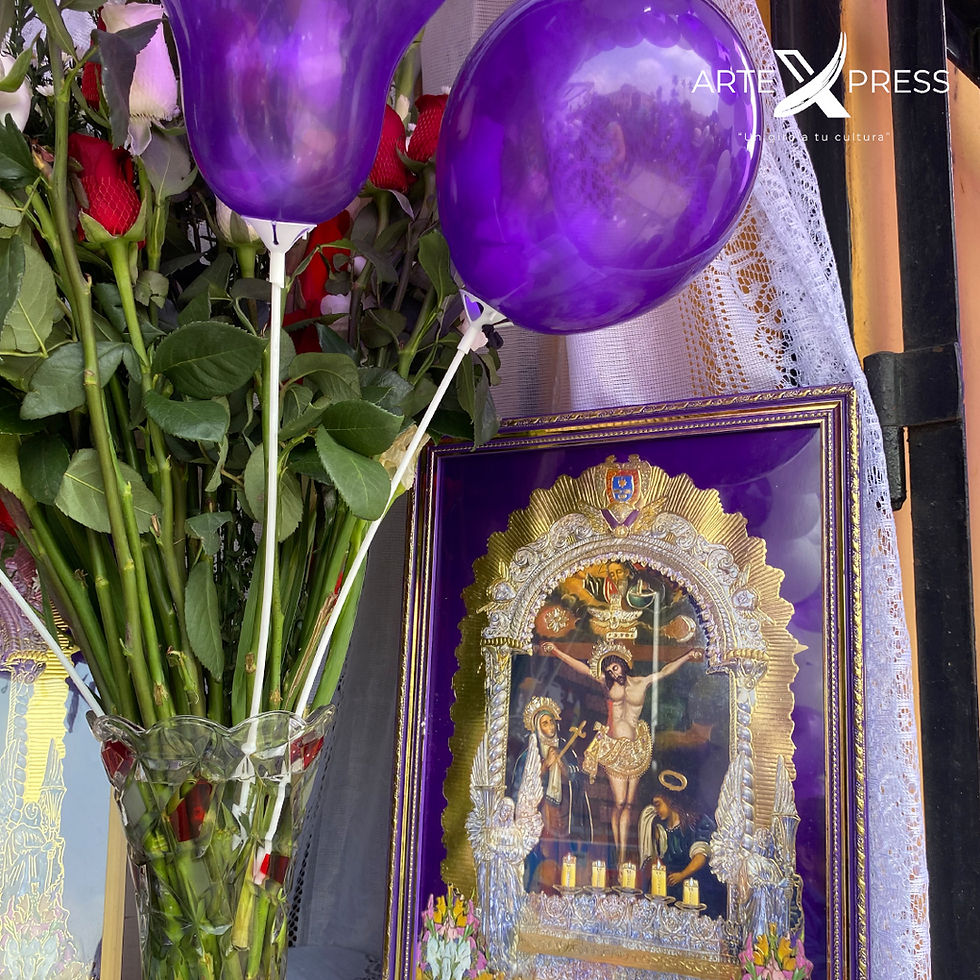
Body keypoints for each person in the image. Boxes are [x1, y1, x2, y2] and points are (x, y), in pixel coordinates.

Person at [540, 639, 698, 871]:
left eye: (615, 667)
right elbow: (582, 669)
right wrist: (556, 651)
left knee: (628, 804)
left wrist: (687, 656)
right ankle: (618, 851)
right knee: (619, 802)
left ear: (624, 665)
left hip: (635, 749)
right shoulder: (606, 684)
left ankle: (624, 854)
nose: (611, 671)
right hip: (613, 748)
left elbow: (665, 671)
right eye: (608, 668)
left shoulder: (641, 682)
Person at [511, 696, 593, 891]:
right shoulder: (530, 752)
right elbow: (521, 784)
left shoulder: (566, 748)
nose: (550, 726)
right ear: (538, 728)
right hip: (542, 808)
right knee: (542, 849)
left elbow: (576, 778)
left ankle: (562, 891)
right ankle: (534, 888)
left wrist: (564, 768)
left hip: (563, 807)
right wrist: (545, 765)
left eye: (551, 722)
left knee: (562, 851)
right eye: (544, 723)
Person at [638, 770, 726, 916]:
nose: (656, 810)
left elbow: (700, 856)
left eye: (658, 804)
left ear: (669, 800)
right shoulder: (661, 829)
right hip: (669, 888)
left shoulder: (698, 822)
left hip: (693, 888)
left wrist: (682, 874)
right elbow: (657, 861)